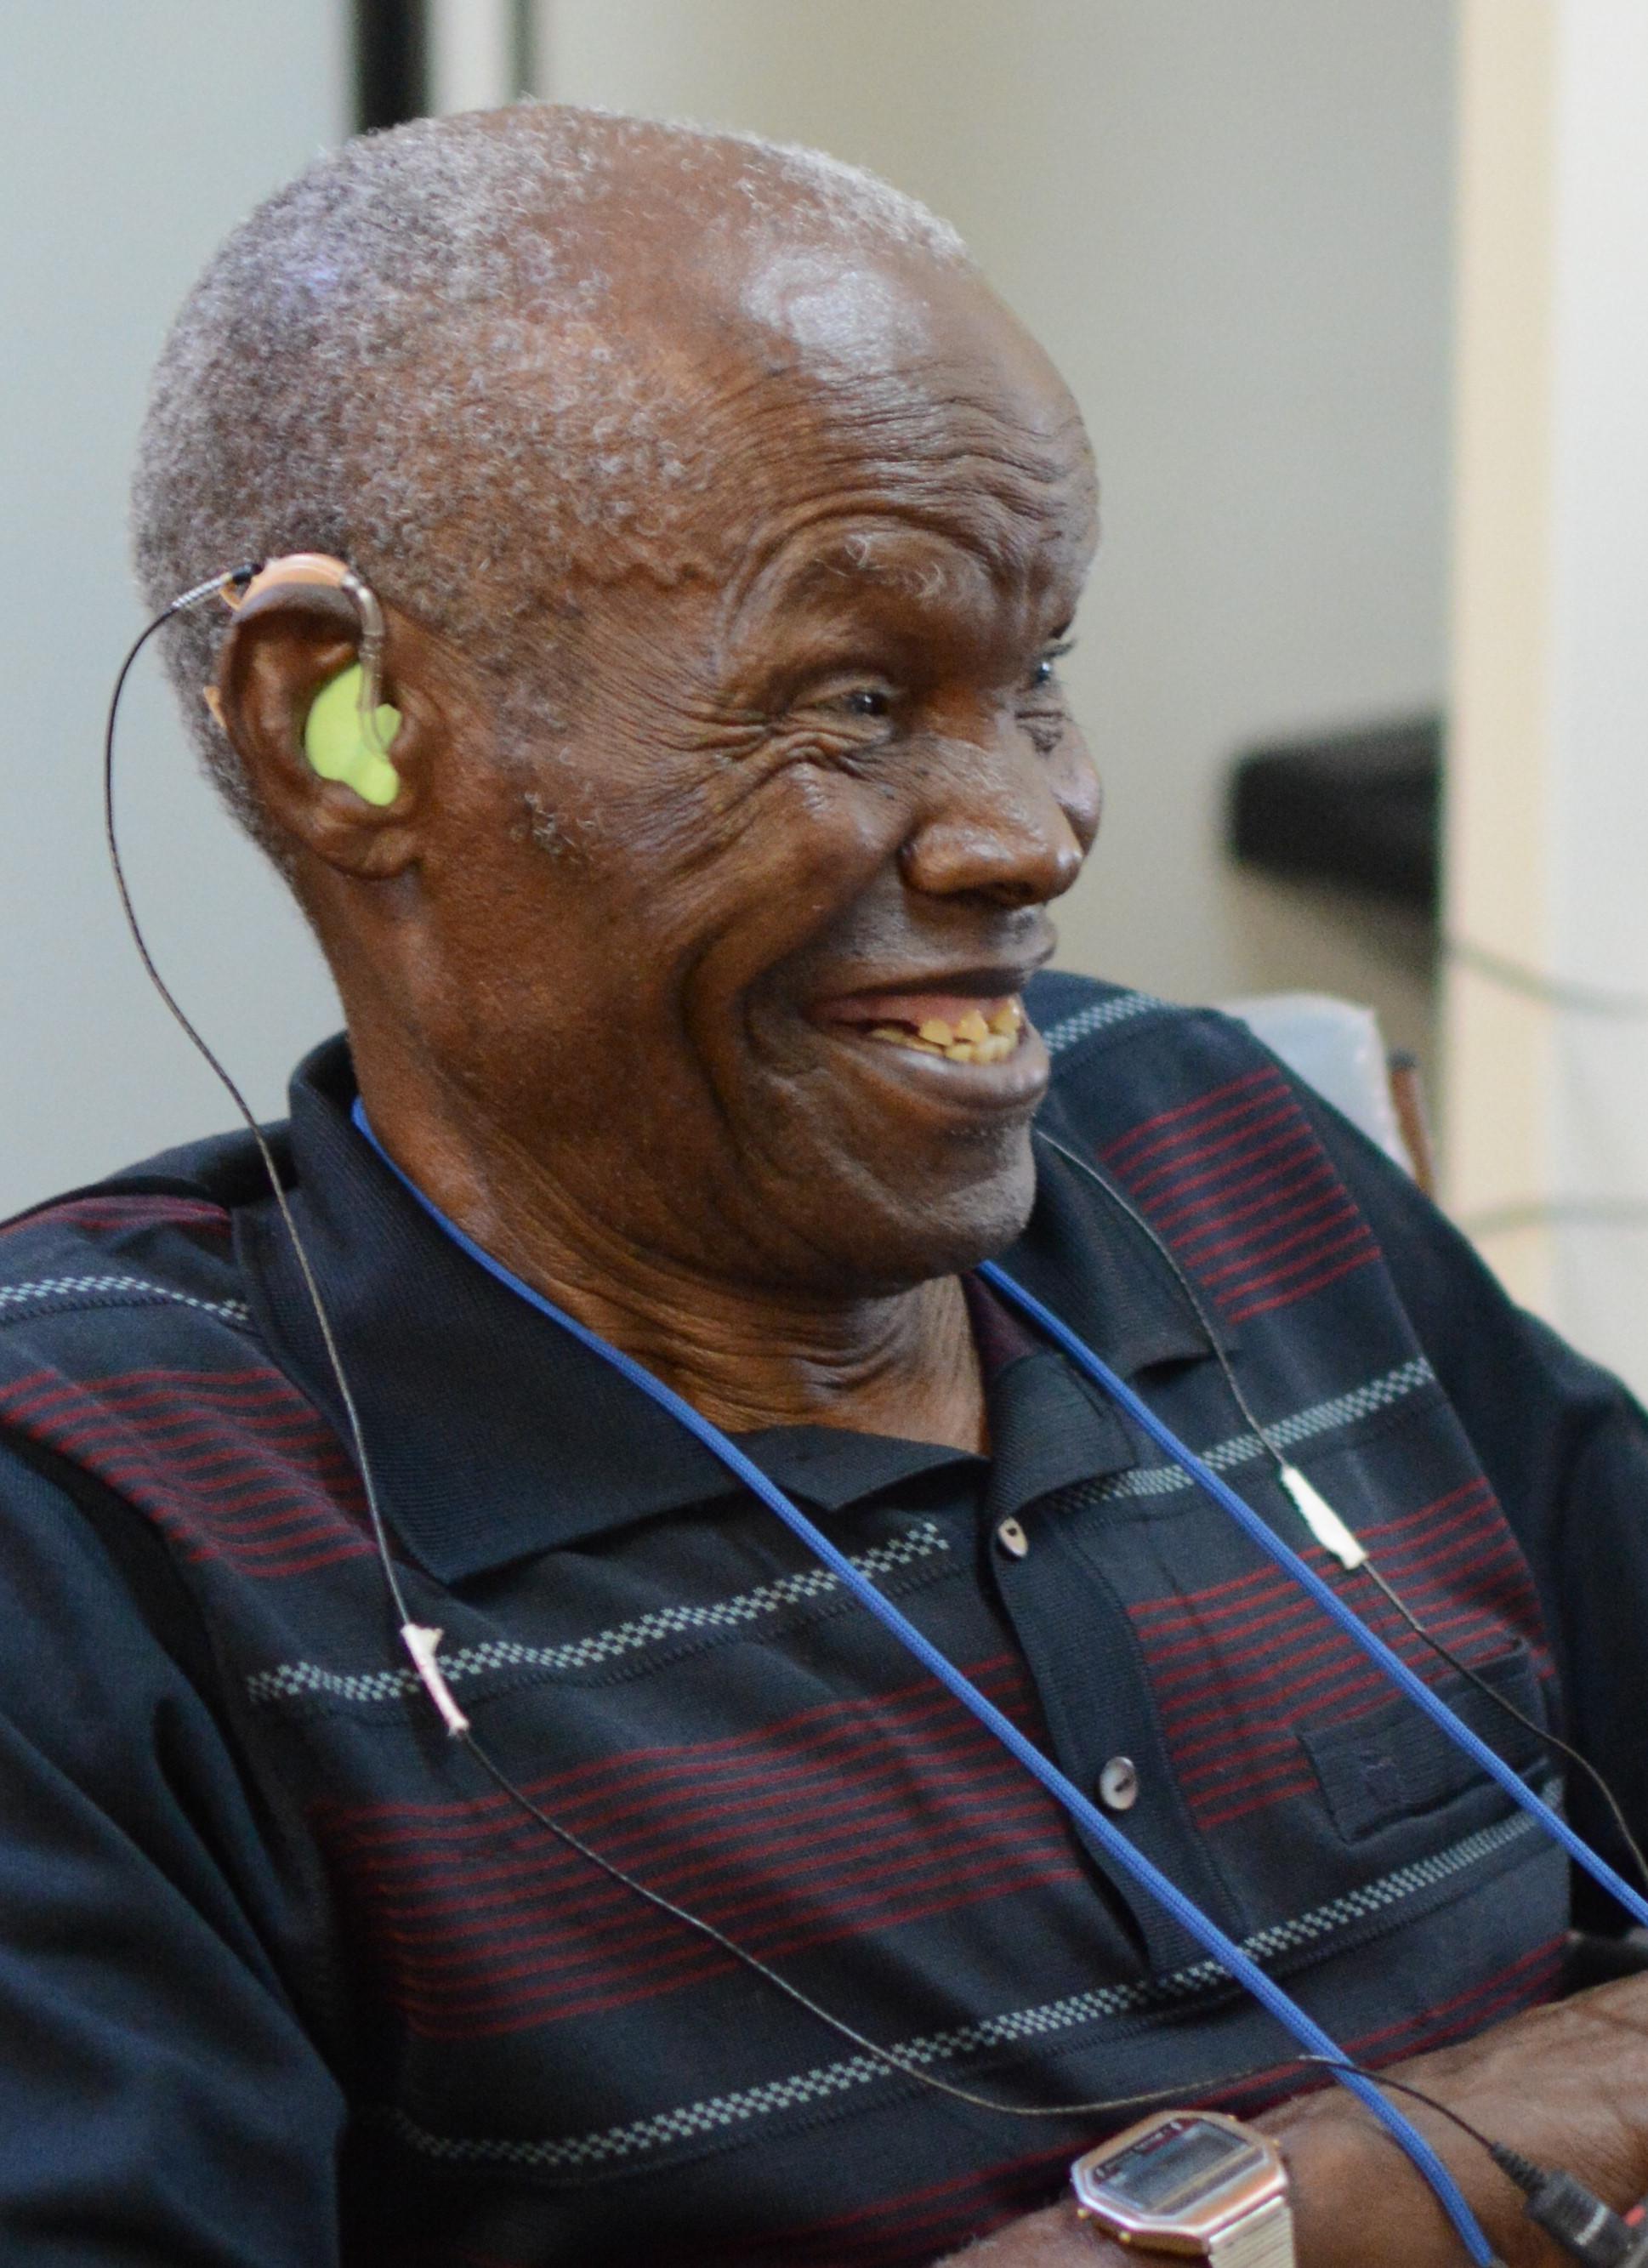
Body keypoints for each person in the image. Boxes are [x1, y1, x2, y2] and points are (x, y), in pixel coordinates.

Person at [2, 102, 1646, 2268]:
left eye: (1031, 674)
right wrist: (1339, 2198)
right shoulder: (91, 1522)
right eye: (856, 699)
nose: (1030, 828)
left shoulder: (1193, 1128)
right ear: (348, 737)